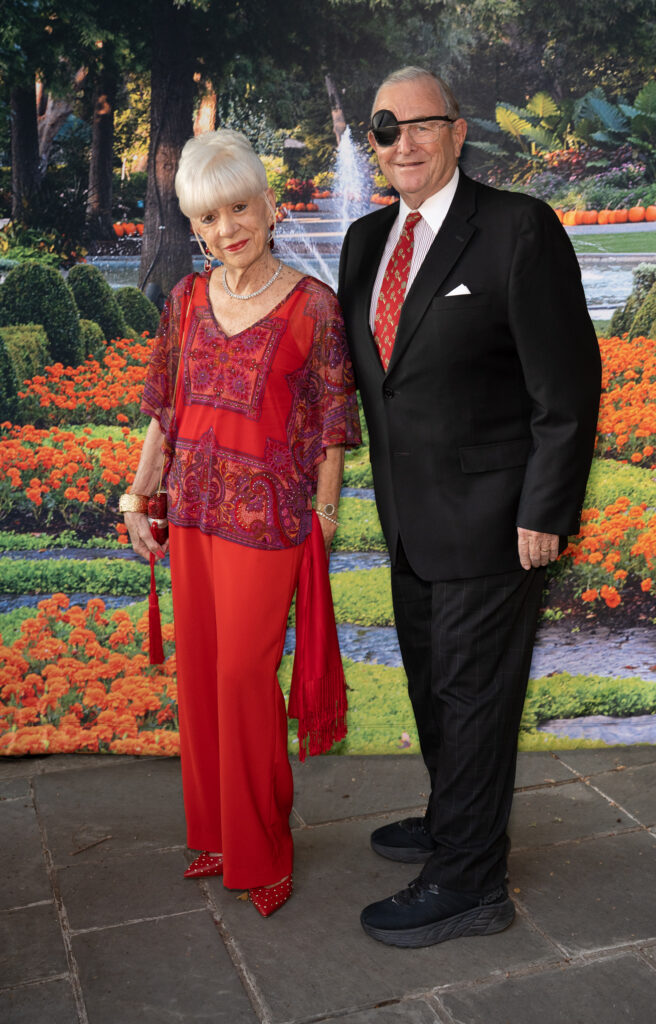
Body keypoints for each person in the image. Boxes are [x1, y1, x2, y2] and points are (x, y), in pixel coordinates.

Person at [337, 67, 601, 947]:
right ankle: (458, 818)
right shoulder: (364, 240)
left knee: (473, 693)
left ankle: (468, 881)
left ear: (456, 134)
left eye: (421, 126)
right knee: (432, 686)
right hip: (410, 521)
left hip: (496, 520)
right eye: (385, 130)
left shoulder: (517, 229)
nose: (401, 144)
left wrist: (546, 511)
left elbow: (565, 389)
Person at [120, 128, 361, 917]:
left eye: (237, 207)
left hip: (268, 526)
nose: (227, 229)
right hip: (190, 514)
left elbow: (331, 420)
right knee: (202, 684)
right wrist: (135, 496)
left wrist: (324, 516)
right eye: (208, 218)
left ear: (268, 204)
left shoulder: (313, 305)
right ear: (193, 227)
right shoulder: (186, 300)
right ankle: (218, 835)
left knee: (244, 682)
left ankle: (266, 848)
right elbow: (165, 410)